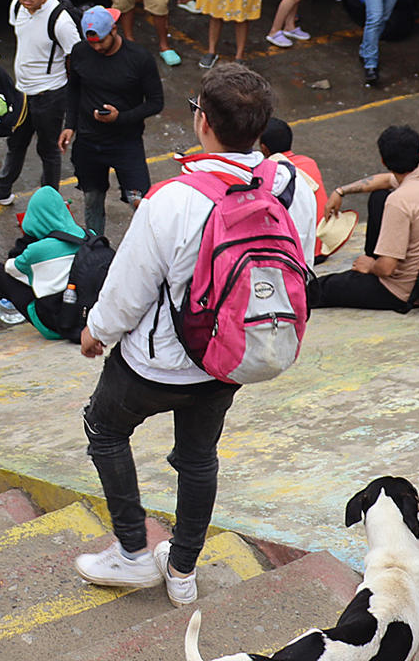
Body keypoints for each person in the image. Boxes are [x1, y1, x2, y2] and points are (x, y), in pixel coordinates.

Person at [75, 63, 313, 603]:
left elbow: (128, 289)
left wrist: (97, 331)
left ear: (203, 122)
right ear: (262, 125)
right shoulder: (295, 189)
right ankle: (181, 571)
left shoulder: (174, 199)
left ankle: (133, 553)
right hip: (232, 354)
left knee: (105, 429)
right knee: (199, 456)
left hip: (156, 362)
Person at [311, 125, 419, 312]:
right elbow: (385, 180)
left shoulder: (398, 202)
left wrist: (371, 266)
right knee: (379, 196)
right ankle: (377, 256)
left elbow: (386, 269)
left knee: (325, 287)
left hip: (401, 291)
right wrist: (341, 192)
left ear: (383, 161)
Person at [0, 0, 79, 209]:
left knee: (49, 151)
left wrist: (72, 113)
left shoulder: (60, 21)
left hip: (50, 96)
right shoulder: (16, 5)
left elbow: (78, 59)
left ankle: (49, 203)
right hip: (21, 93)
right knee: (16, 143)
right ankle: (1, 189)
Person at [62, 7, 163, 238]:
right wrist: (70, 125)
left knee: (140, 203)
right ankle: (95, 248)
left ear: (114, 30)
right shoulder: (80, 52)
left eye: (101, 42)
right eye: (92, 43)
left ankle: (146, 251)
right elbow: (74, 89)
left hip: (126, 144)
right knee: (92, 199)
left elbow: (156, 102)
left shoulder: (139, 58)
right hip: (89, 143)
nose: (96, 48)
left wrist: (121, 118)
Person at [0, 185, 86, 339]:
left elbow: (11, 268)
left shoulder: (38, 250)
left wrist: (27, 239)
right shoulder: (86, 236)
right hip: (85, 316)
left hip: (56, 326)